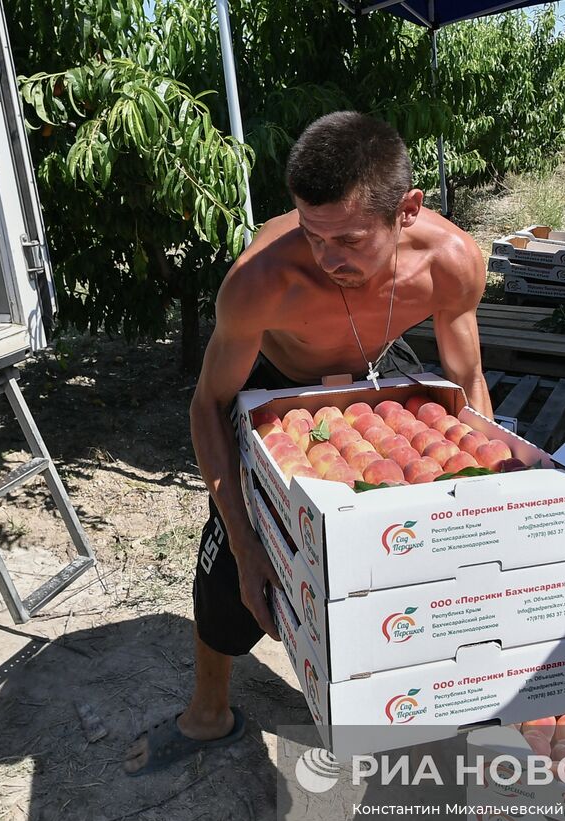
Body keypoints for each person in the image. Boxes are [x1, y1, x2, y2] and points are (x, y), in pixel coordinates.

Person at [124, 111, 493, 775]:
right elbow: (208, 403)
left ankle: (410, 727)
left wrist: (482, 500)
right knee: (232, 565)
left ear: (407, 211)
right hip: (271, 387)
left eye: (348, 240)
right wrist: (243, 540)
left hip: (374, 379)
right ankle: (209, 713)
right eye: (312, 235)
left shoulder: (452, 263)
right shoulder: (263, 279)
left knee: (402, 562)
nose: (328, 259)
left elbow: (466, 382)